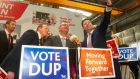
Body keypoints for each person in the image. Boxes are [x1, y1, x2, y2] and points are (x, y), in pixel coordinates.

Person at [81, 0, 121, 79]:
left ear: (92, 24)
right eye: (85, 24)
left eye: (89, 22)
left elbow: (105, 20)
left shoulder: (99, 30)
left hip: (103, 63)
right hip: (92, 66)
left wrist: (108, 6)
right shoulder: (85, 39)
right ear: (83, 28)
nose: (87, 24)